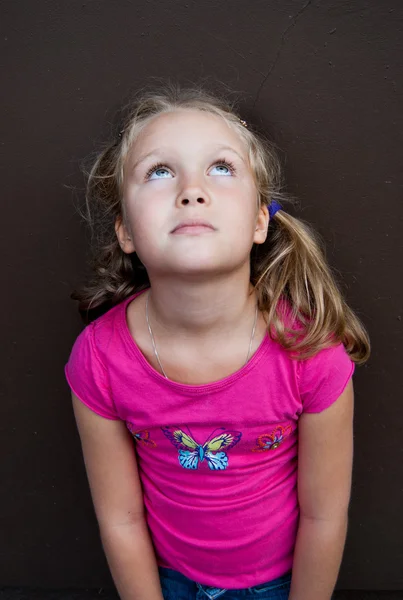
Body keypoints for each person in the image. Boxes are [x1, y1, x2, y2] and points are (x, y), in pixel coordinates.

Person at [65, 83, 370, 600]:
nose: (191, 190)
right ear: (126, 233)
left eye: (221, 168)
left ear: (258, 221)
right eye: (160, 171)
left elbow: (324, 516)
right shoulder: (99, 359)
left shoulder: (312, 352)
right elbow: (119, 520)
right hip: (166, 584)